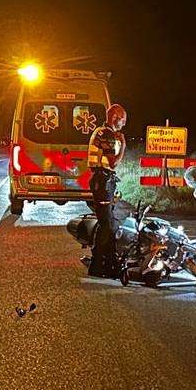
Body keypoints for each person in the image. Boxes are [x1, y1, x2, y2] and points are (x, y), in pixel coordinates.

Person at [86, 103, 127, 278]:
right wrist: (123, 145)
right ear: (115, 118)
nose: (123, 125)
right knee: (106, 224)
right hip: (103, 182)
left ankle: (109, 262)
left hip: (102, 181)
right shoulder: (108, 135)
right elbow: (113, 163)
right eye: (123, 121)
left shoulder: (101, 132)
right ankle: (97, 265)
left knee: (109, 222)